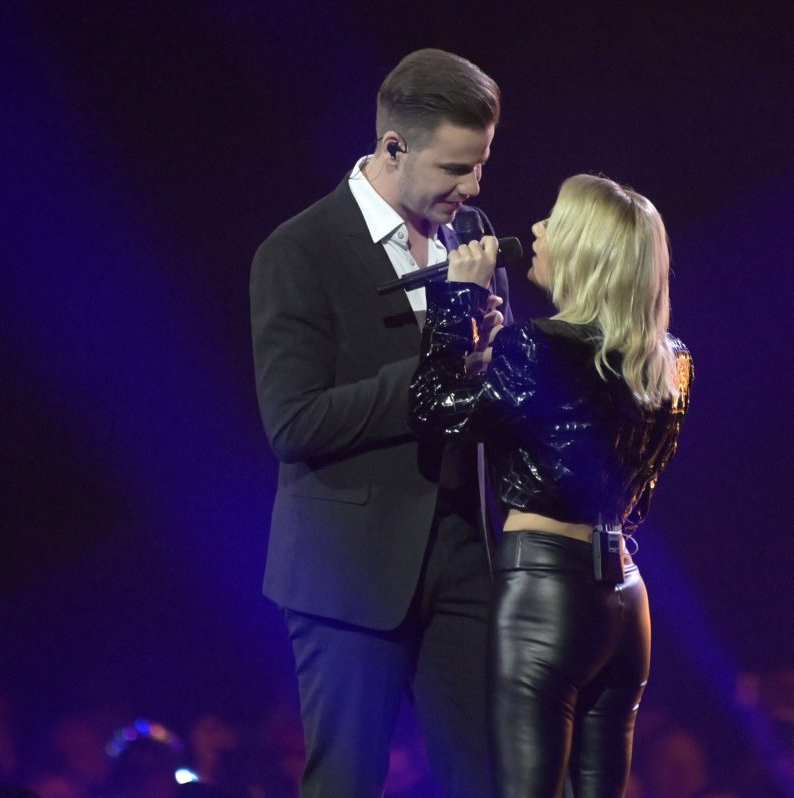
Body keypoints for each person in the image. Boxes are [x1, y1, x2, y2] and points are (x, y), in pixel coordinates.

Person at [249, 49, 510, 798]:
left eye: (482, 163)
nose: (474, 186)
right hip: (348, 569)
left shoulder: (470, 232)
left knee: (491, 780)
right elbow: (294, 422)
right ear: (394, 147)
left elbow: (489, 388)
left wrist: (498, 363)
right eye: (456, 168)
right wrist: (442, 360)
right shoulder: (299, 251)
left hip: (465, 557)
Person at [410, 173, 694, 797]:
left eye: (552, 223)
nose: (535, 230)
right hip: (625, 594)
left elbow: (432, 411)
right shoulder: (670, 362)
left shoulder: (535, 347)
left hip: (545, 593)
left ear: (584, 251)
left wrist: (457, 302)